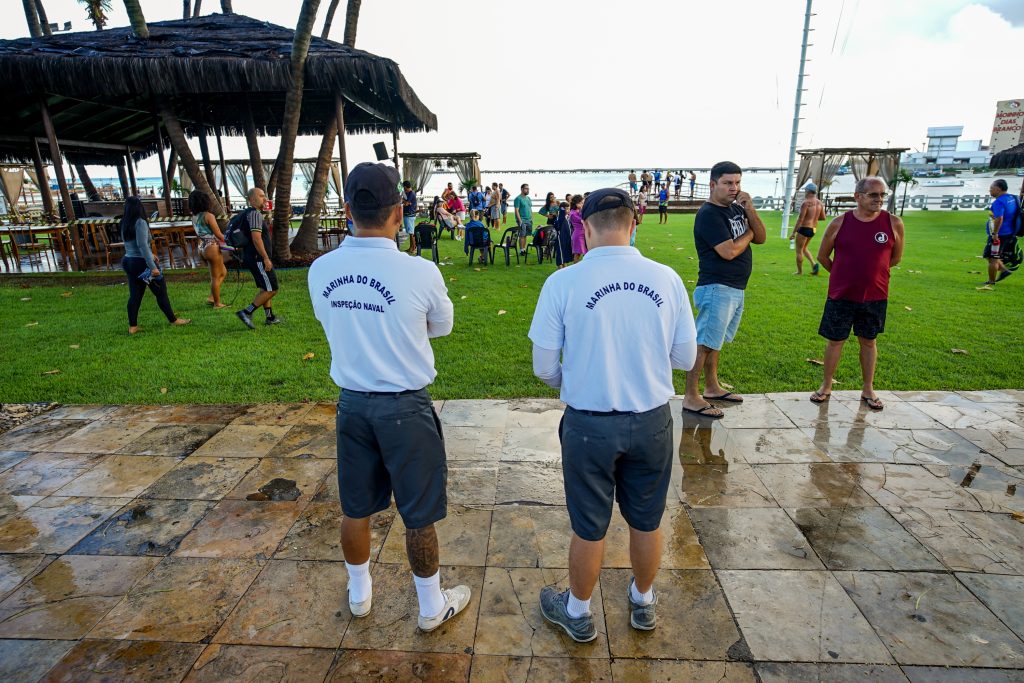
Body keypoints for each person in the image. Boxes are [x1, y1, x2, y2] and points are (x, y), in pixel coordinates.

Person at [306, 161, 470, 632]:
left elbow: (330, 321)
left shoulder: (322, 270)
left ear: (347, 209)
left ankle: (360, 593)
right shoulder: (418, 271)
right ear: (399, 211)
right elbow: (442, 326)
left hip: (353, 404)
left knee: (355, 506)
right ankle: (429, 605)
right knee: (417, 511)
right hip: (404, 407)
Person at [528, 188, 697, 643]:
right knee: (646, 519)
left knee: (588, 524)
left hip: (588, 424)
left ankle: (579, 612)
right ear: (633, 223)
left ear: (583, 228)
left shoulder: (563, 282)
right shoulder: (666, 279)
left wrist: (581, 380)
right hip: (651, 420)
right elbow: (685, 357)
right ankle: (643, 602)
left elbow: (544, 366)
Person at [811, 176, 905, 411]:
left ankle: (868, 389)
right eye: (874, 195)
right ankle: (826, 386)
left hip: (875, 295)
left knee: (869, 342)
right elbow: (823, 256)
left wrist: (871, 275)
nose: (880, 199)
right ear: (858, 196)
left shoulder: (893, 223)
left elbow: (895, 258)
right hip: (841, 295)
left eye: (883, 195)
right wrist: (842, 275)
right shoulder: (840, 223)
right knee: (835, 341)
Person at [683, 161, 766, 418]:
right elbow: (728, 251)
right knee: (704, 343)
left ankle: (712, 387)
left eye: (738, 183)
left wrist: (750, 210)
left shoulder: (736, 209)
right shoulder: (709, 214)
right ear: (713, 184)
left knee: (715, 341)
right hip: (716, 286)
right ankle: (691, 396)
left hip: (734, 287)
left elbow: (761, 236)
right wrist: (749, 234)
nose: (734, 188)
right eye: (728, 183)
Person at [119, 196, 190, 334]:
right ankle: (173, 320)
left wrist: (151, 255)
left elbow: (133, 245)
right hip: (141, 264)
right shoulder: (140, 223)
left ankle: (132, 326)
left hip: (128, 261)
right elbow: (142, 245)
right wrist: (153, 267)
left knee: (135, 294)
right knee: (160, 291)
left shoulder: (124, 222)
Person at [235, 187, 282, 329]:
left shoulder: (248, 213)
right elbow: (256, 239)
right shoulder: (255, 214)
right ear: (252, 199)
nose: (265, 199)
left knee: (264, 287)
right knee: (272, 288)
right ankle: (246, 312)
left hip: (252, 256)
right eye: (261, 196)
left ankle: (270, 317)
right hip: (258, 257)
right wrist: (266, 258)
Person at [188, 190, 227, 308]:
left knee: (223, 272)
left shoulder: (194, 217)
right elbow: (219, 235)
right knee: (216, 277)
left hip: (201, 247)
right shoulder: (209, 216)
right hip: (212, 247)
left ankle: (212, 297)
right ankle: (217, 303)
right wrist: (232, 240)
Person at [983, 178, 1019, 285]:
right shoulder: (1012, 198)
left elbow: (1000, 218)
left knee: (993, 258)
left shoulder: (999, 202)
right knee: (990, 256)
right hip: (1009, 232)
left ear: (998, 189)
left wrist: (995, 234)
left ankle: (991, 281)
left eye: (991, 188)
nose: (990, 191)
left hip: (999, 235)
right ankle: (1004, 270)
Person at [788, 185, 827, 275]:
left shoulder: (806, 203)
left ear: (808, 191)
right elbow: (823, 217)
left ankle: (799, 272)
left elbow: (800, 219)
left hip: (804, 228)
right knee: (804, 248)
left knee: (799, 250)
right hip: (813, 229)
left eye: (805, 190)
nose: (804, 192)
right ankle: (814, 265)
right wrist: (813, 218)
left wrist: (793, 233)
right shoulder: (819, 203)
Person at [514, 183, 533, 256]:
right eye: (526, 189)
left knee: (525, 235)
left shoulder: (528, 198)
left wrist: (531, 218)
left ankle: (524, 249)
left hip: (529, 220)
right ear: (522, 189)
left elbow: (530, 208)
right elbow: (516, 210)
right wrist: (520, 221)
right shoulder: (518, 199)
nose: (528, 190)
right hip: (522, 220)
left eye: (528, 189)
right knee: (522, 235)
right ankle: (521, 250)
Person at [552, 201, 572, 268]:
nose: (569, 210)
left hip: (566, 238)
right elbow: (559, 222)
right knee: (560, 255)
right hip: (560, 239)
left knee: (565, 255)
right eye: (567, 209)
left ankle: (565, 268)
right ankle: (560, 269)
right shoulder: (561, 217)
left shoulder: (566, 217)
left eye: (569, 209)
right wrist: (562, 209)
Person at [569, 194, 586, 262]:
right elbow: (583, 220)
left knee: (585, 253)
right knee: (577, 254)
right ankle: (575, 268)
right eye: (581, 203)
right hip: (578, 235)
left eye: (583, 203)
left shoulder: (578, 211)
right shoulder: (573, 213)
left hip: (583, 234)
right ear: (576, 203)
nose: (582, 204)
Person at [402, 180, 418, 254]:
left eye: (403, 187)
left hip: (409, 215)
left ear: (405, 187)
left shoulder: (411, 193)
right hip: (409, 215)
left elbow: (406, 203)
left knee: (411, 233)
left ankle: (414, 248)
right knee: (410, 232)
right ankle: (411, 247)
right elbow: (406, 203)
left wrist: (404, 201)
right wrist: (405, 202)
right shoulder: (409, 193)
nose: (403, 189)